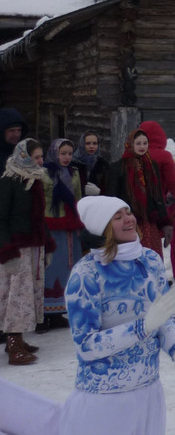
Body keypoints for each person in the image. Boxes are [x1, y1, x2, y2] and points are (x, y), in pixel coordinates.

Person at [61, 195, 175, 435]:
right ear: (103, 228)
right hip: (104, 400)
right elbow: (86, 345)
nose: (129, 219)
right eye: (118, 216)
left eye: (128, 212)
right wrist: (142, 327)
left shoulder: (149, 260)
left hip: (148, 393)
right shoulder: (86, 274)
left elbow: (164, 317)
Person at [0, 139, 51, 365]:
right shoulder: (9, 181)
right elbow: (1, 218)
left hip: (33, 246)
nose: (40, 161)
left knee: (28, 294)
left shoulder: (34, 180)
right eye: (36, 157)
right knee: (16, 296)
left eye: (41, 157)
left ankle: (18, 338)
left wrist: (47, 244)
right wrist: (6, 251)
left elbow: (39, 217)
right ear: (23, 156)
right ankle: (13, 344)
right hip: (17, 248)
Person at [105, 129, 172, 258]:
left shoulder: (152, 166)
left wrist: (165, 222)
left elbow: (158, 195)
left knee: (152, 256)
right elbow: (112, 197)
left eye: (145, 143)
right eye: (138, 143)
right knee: (133, 256)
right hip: (129, 221)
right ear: (130, 144)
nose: (142, 147)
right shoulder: (118, 167)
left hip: (150, 222)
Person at [42, 138, 83, 330]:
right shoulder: (44, 174)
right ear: (54, 153)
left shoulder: (74, 173)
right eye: (62, 153)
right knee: (51, 266)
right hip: (50, 224)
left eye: (69, 154)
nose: (66, 157)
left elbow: (78, 198)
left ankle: (58, 312)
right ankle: (43, 314)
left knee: (68, 266)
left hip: (70, 225)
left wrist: (80, 218)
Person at [72, 130, 109, 195]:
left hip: (97, 200)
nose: (91, 146)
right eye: (88, 143)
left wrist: (99, 192)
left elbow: (108, 188)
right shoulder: (73, 163)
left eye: (95, 143)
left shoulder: (102, 164)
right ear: (82, 144)